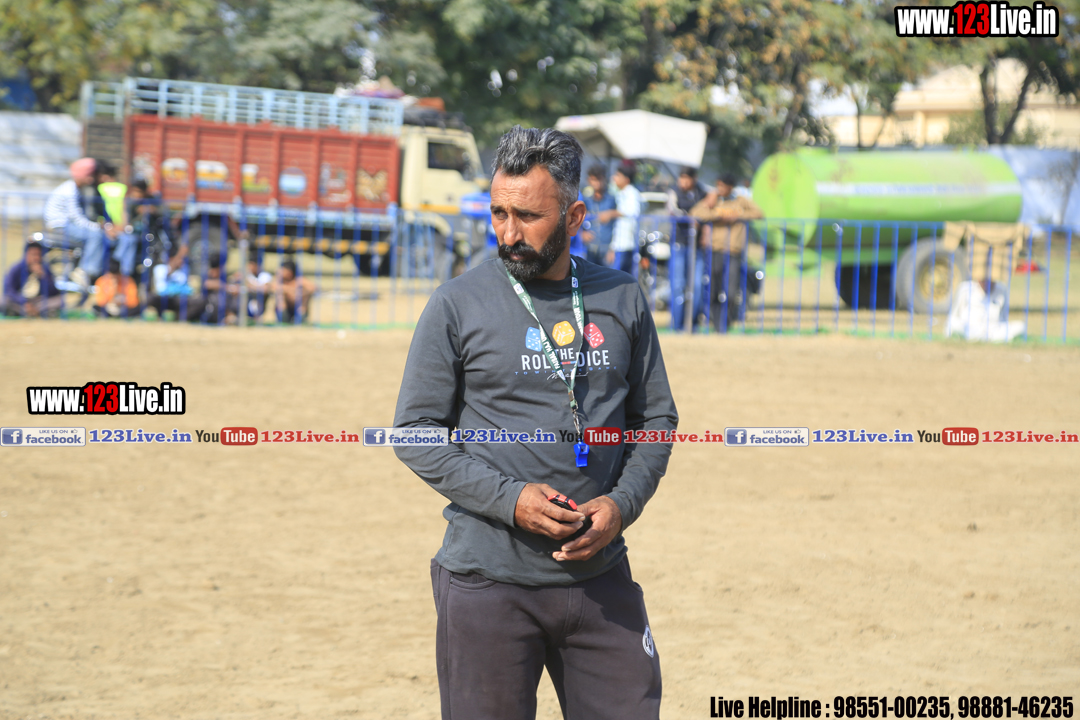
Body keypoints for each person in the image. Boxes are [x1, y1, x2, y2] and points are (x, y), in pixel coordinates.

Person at [393, 125, 678, 720]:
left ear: (574, 217)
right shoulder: (456, 303)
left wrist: (622, 504)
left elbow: (654, 418)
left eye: (528, 216)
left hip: (600, 579)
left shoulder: (623, 297)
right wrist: (511, 499)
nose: (508, 233)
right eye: (499, 212)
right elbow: (416, 432)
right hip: (488, 583)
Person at [43, 158, 137, 285]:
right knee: (95, 236)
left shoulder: (78, 189)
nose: (92, 179)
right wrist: (99, 227)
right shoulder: (70, 190)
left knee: (124, 239)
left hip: (73, 224)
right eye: (90, 175)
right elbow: (77, 218)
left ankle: (119, 274)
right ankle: (86, 271)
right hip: (61, 225)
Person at [691, 172, 764, 331]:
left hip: (733, 251)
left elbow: (759, 213)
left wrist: (738, 215)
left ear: (730, 187)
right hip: (714, 250)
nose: (720, 189)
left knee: (731, 291)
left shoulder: (741, 201)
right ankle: (717, 324)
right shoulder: (714, 200)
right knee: (712, 290)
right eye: (718, 186)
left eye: (722, 186)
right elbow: (695, 213)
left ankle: (726, 322)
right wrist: (715, 213)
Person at [665, 167, 707, 331]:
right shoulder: (673, 192)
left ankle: (693, 324)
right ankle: (677, 324)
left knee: (697, 285)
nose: (683, 182)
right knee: (678, 285)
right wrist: (691, 218)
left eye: (686, 178)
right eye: (681, 178)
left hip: (697, 247)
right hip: (679, 245)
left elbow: (708, 208)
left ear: (694, 179)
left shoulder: (702, 193)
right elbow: (673, 211)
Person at [2, 240, 63, 317]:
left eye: (39, 255)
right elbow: (9, 290)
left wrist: (43, 277)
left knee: (60, 300)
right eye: (33, 254)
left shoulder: (45, 268)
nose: (36, 258)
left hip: (39, 302)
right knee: (3, 301)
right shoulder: (17, 268)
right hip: (21, 302)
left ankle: (34, 312)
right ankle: (29, 312)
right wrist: (23, 302)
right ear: (26, 254)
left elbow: (54, 292)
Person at [604, 162, 642, 275]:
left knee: (616, 277)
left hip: (626, 244)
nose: (614, 178)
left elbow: (633, 212)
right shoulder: (621, 193)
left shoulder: (632, 193)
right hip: (619, 244)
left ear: (626, 179)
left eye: (617, 175)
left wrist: (611, 213)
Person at [581, 165, 616, 265]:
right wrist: (581, 233)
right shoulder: (586, 201)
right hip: (589, 249)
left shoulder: (611, 200)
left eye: (599, 179)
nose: (597, 183)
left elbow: (618, 224)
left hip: (606, 249)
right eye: (594, 179)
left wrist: (613, 249)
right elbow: (578, 220)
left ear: (604, 179)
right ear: (589, 180)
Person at [274, 259, 315, 323]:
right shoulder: (280, 280)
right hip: (286, 309)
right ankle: (283, 316)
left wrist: (301, 293)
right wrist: (289, 290)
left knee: (305, 296)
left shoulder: (299, 280)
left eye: (283, 270)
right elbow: (273, 287)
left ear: (289, 272)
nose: (279, 271)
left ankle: (301, 317)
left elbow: (313, 288)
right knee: (280, 294)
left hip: (299, 308)